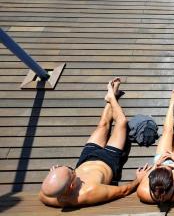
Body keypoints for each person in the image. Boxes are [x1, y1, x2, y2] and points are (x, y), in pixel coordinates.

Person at [39, 78, 152, 207]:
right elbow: (123, 191)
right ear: (71, 186)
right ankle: (111, 97)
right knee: (121, 122)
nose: (74, 172)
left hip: (86, 158)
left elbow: (51, 187)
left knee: (103, 125)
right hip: (109, 160)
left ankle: (113, 93)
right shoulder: (90, 192)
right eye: (72, 172)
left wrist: (54, 174)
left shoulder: (47, 194)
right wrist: (139, 179)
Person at [136, 90, 174, 204]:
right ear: (173, 181)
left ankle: (171, 103)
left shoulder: (143, 192)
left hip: (160, 160)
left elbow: (144, 178)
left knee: (167, 132)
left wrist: (156, 165)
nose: (165, 166)